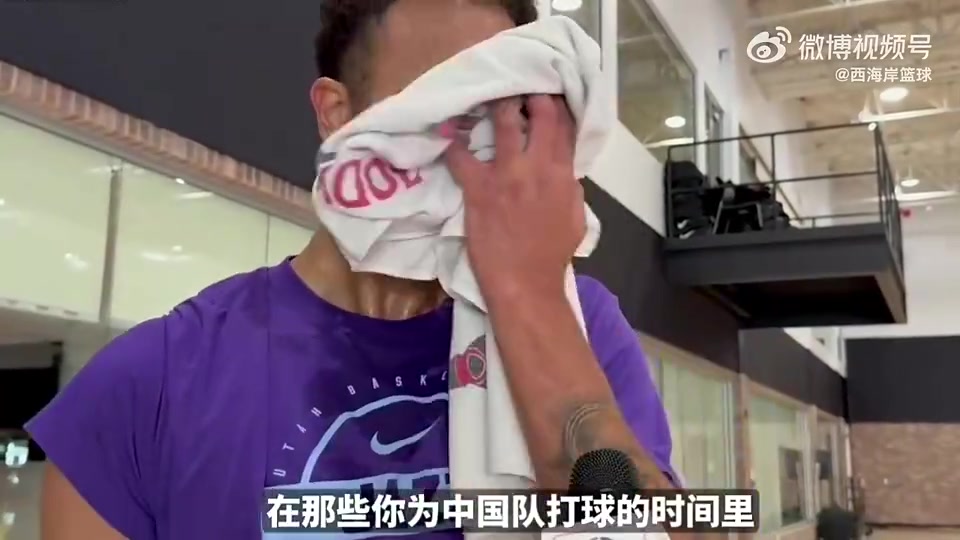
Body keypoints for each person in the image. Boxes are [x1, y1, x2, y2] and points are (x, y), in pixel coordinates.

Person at [27, 0, 679, 538]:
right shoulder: (146, 389)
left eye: (510, 113)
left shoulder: (584, 330)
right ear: (338, 115)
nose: (483, 144)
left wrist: (530, 296)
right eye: (447, 99)